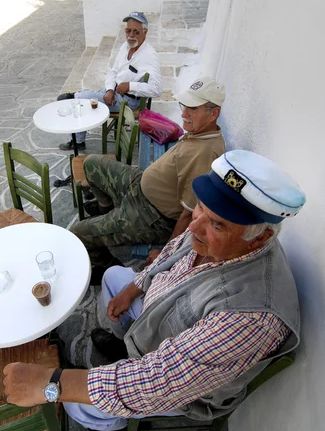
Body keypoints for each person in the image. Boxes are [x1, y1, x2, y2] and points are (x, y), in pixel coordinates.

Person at [3, 150, 306, 431]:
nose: (196, 227)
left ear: (260, 238)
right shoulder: (216, 233)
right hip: (162, 313)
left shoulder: (250, 317)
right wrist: (133, 289)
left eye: (217, 224)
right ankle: (126, 346)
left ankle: (114, 423)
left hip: (182, 383)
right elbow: (171, 253)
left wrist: (53, 382)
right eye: (201, 206)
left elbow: (159, 380)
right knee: (113, 278)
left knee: (76, 403)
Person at [70, 75, 226, 283]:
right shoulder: (199, 133)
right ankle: (107, 215)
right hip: (139, 184)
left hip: (149, 215)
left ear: (213, 113)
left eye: (193, 109)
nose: (184, 114)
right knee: (91, 164)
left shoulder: (205, 153)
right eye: (184, 105)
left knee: (79, 232)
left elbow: (188, 215)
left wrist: (164, 254)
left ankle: (105, 267)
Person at [57, 11, 162, 151]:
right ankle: (78, 138)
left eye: (136, 32)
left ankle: (75, 105)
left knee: (80, 101)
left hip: (128, 101)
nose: (131, 35)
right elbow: (113, 71)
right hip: (115, 93)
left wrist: (130, 85)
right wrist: (110, 90)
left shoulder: (149, 56)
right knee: (85, 102)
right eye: (128, 31)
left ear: (145, 32)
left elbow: (156, 89)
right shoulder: (126, 46)